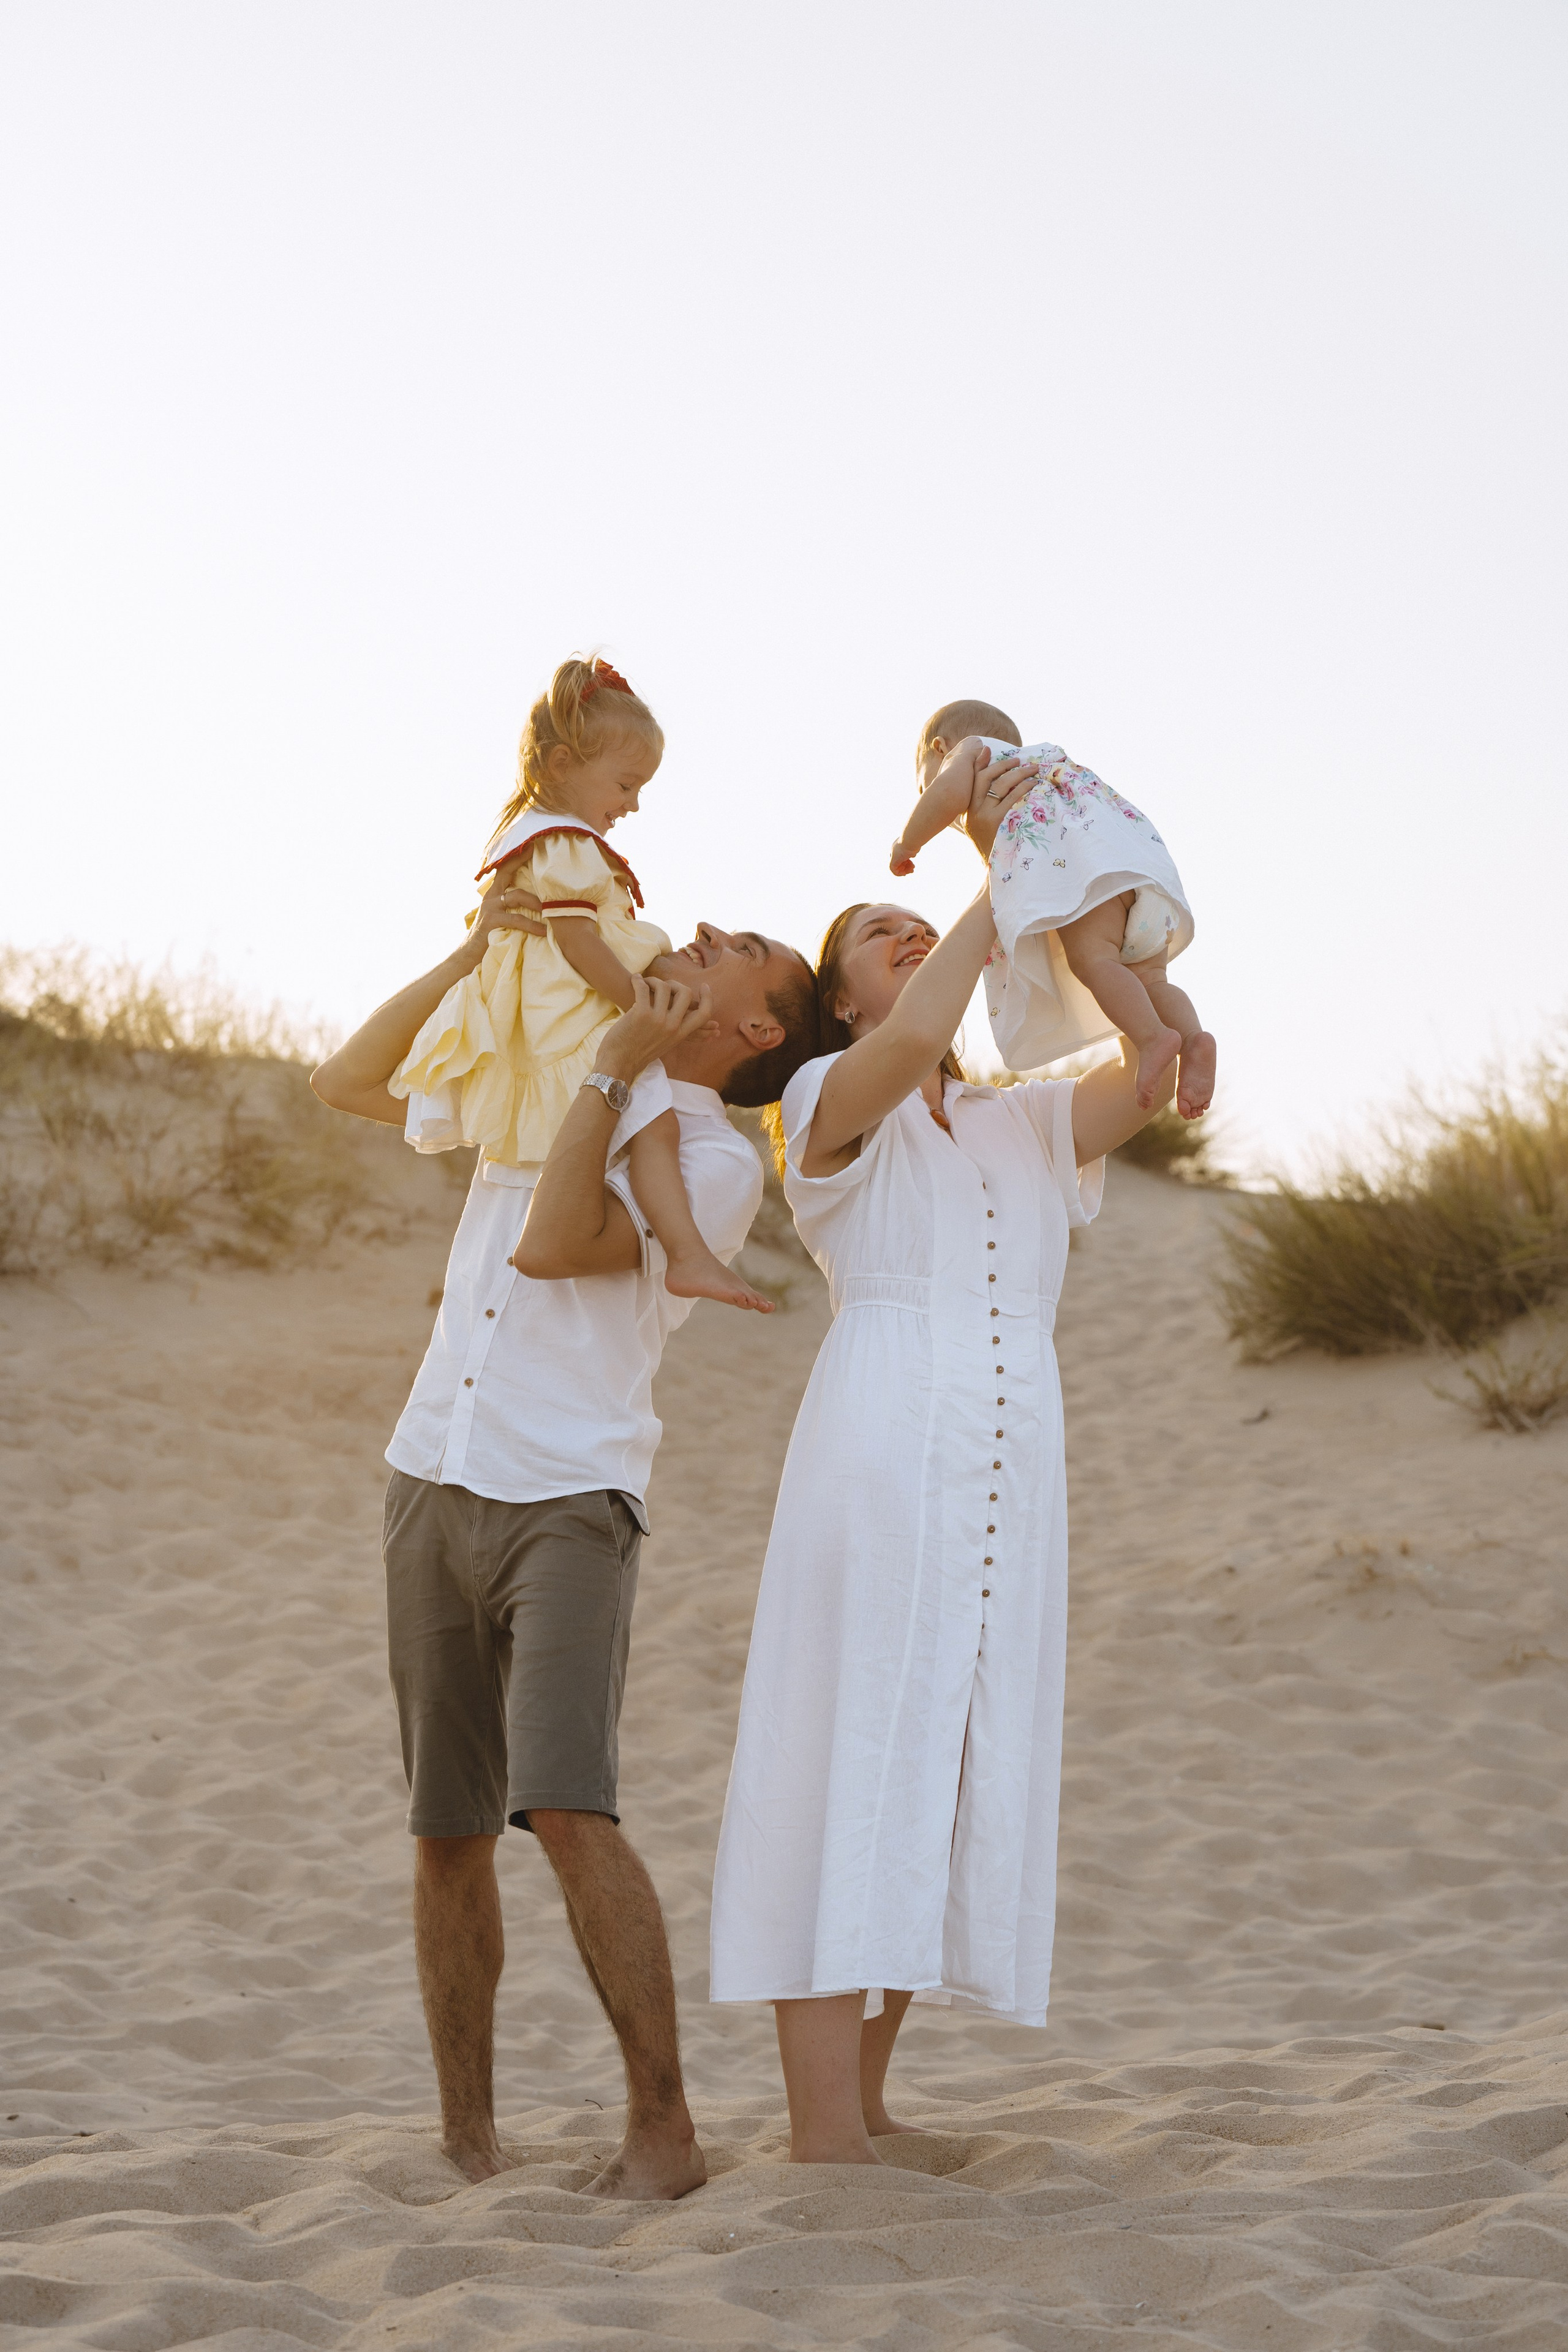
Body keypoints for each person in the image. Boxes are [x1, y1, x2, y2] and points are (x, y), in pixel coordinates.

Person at [311, 881, 818, 2196]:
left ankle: (664, 2129)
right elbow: (347, 1078)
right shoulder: (550, 1069)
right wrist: (479, 951)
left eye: (740, 951)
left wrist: (612, 1060)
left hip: (570, 1497)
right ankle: (467, 2142)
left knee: (567, 1808)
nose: (702, 935)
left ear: (758, 1030)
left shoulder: (708, 1158)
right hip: (431, 1469)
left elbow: (549, 1246)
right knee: (445, 1828)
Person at [707, 749, 1174, 2165]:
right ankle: (816, 2133)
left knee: (942, 1756)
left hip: (1007, 1460)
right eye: (876, 936)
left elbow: (1145, 1074)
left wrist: (1082, 931)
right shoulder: (831, 1110)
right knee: (842, 1750)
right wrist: (988, 881)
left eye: (912, 925)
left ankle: (866, 2106)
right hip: (882, 1437)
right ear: (838, 999)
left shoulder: (1021, 1119)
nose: (906, 941)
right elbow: (913, 1042)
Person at [391, 652, 770, 1311]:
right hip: (572, 1017)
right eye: (625, 785)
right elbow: (576, 940)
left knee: (646, 1128)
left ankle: (685, 1254)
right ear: (564, 764)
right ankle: (686, 1255)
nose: (633, 804)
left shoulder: (532, 836)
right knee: (654, 1127)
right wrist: (641, 1004)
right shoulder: (566, 844)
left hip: (545, 1014)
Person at [891, 698, 1216, 1120]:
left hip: (1092, 874)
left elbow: (948, 792)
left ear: (941, 748)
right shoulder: (1046, 762)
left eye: (923, 785)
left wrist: (909, 842)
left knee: (1094, 960)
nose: (929, 796)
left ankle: (1153, 1039)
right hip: (1144, 877)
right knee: (1151, 978)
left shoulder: (970, 752)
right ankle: (1193, 1040)